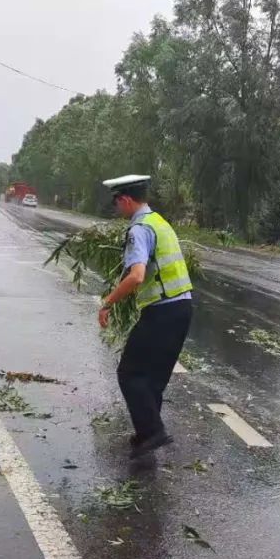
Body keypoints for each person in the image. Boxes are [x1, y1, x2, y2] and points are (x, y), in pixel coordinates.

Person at [98, 174, 193, 458]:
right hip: (183, 308)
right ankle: (145, 435)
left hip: (161, 311)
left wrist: (108, 302)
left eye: (117, 204)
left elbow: (137, 276)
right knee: (153, 379)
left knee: (129, 373)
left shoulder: (139, 229)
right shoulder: (159, 222)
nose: (118, 210)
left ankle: (153, 432)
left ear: (125, 199)